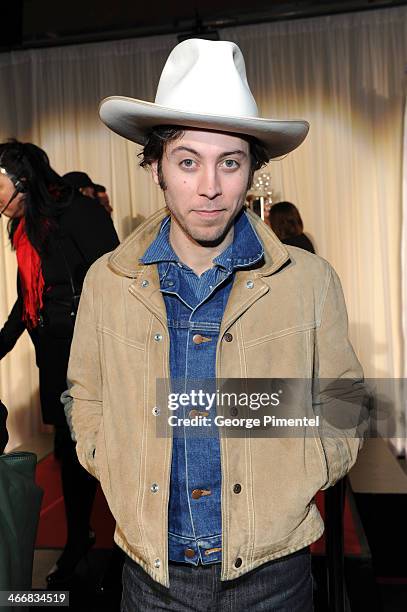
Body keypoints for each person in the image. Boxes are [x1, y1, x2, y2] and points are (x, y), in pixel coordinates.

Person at [68, 39, 364, 611]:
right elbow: (86, 393)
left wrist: (309, 468)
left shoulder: (308, 281)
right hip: (150, 576)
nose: (209, 186)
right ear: (154, 166)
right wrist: (108, 460)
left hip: (273, 576)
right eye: (187, 161)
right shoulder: (109, 282)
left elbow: (345, 400)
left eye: (229, 162)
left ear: (253, 169)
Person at [0, 141, 119, 585]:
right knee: (70, 456)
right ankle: (77, 539)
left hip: (90, 356)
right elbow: (25, 302)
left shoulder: (78, 214)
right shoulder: (26, 230)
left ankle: (123, 542)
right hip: (52, 358)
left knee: (102, 449)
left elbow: (114, 280)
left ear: (21, 182)